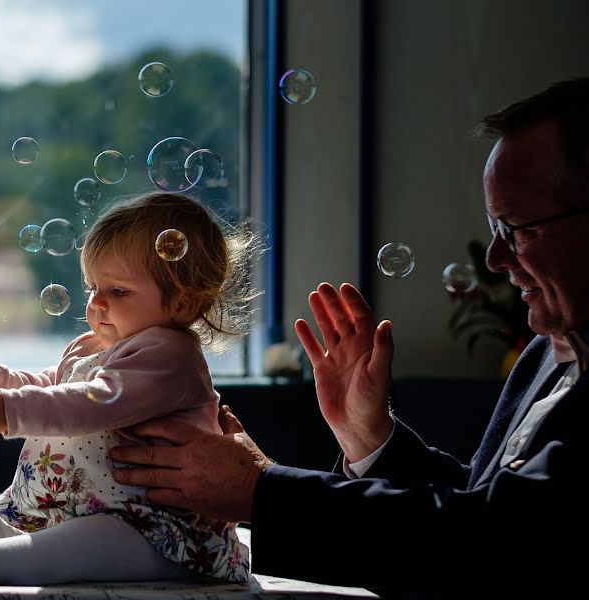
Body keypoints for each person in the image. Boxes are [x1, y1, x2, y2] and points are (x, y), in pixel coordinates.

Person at [109, 77, 589, 594]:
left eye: (521, 229)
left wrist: (261, 492)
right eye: (496, 231)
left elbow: (496, 545)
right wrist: (369, 435)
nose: (496, 260)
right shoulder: (547, 354)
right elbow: (478, 504)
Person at [0, 192, 259, 587]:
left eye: (118, 291)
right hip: (70, 500)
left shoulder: (170, 358)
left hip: (151, 524)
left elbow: (96, 401)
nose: (97, 303)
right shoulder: (95, 345)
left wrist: (10, 411)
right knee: (4, 512)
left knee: (85, 543)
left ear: (182, 304)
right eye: (91, 288)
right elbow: (51, 384)